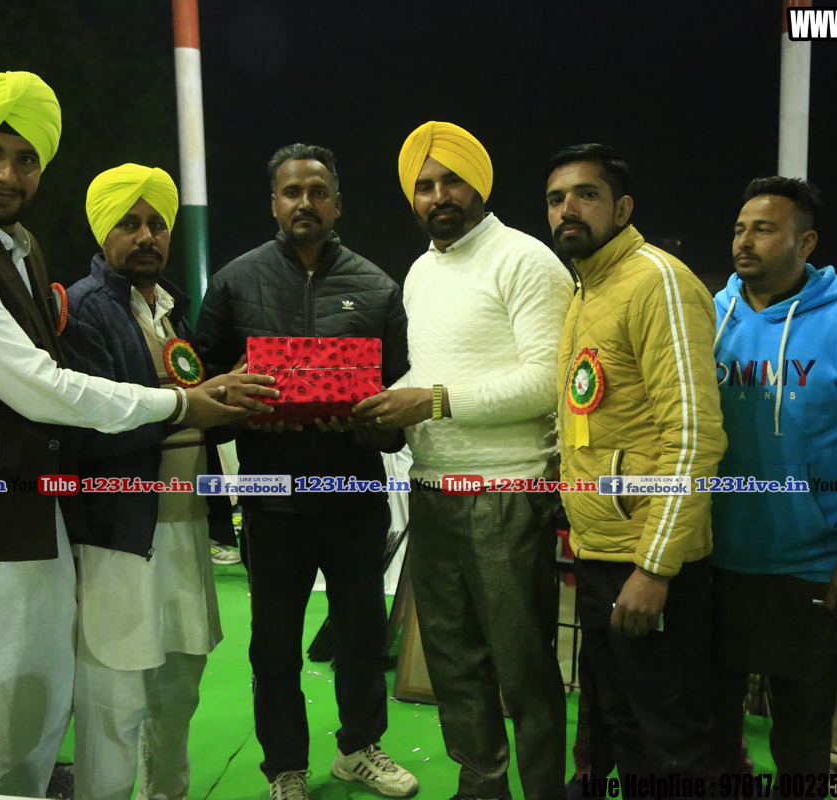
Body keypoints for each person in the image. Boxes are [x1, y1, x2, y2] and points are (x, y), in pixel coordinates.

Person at [0, 71, 271, 795]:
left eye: (26, 158)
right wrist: (180, 406)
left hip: (26, 525)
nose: (8, 173)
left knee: (22, 736)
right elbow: (38, 386)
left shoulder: (18, 246)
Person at [355, 121, 572, 800]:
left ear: (479, 184)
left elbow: (547, 382)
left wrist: (432, 401)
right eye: (424, 185)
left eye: (452, 180)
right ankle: (481, 788)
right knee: (454, 667)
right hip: (432, 492)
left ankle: (543, 792)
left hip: (506, 494)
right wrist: (377, 405)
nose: (438, 195)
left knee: (523, 670)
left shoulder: (525, 260)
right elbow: (428, 373)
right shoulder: (420, 273)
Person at [196, 143, 417, 800]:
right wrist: (239, 402)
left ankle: (359, 749)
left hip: (355, 495)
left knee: (361, 637)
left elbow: (401, 396)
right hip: (273, 500)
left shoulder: (378, 287)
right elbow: (202, 387)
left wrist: (377, 422)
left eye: (318, 192)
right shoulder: (234, 282)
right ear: (274, 203)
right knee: (273, 647)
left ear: (337, 204)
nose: (305, 203)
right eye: (292, 192)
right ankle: (285, 767)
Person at [61, 164, 274, 800]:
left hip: (186, 531)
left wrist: (231, 396)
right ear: (103, 232)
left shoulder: (173, 312)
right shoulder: (84, 310)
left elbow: (198, 417)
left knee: (179, 690)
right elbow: (86, 431)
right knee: (115, 699)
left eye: (157, 223)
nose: (146, 236)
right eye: (129, 223)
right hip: (119, 538)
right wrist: (189, 407)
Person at [708, 177, 837, 778]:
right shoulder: (707, 316)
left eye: (763, 229)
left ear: (806, 242)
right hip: (712, 561)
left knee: (801, 742)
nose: (744, 241)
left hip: (811, 566)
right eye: (739, 229)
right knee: (709, 735)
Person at [545, 143, 725, 782]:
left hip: (649, 563)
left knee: (672, 744)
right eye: (556, 199)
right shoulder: (587, 290)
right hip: (599, 554)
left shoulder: (658, 282)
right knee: (622, 728)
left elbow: (695, 438)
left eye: (586, 194)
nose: (568, 209)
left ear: (622, 208)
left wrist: (654, 569)